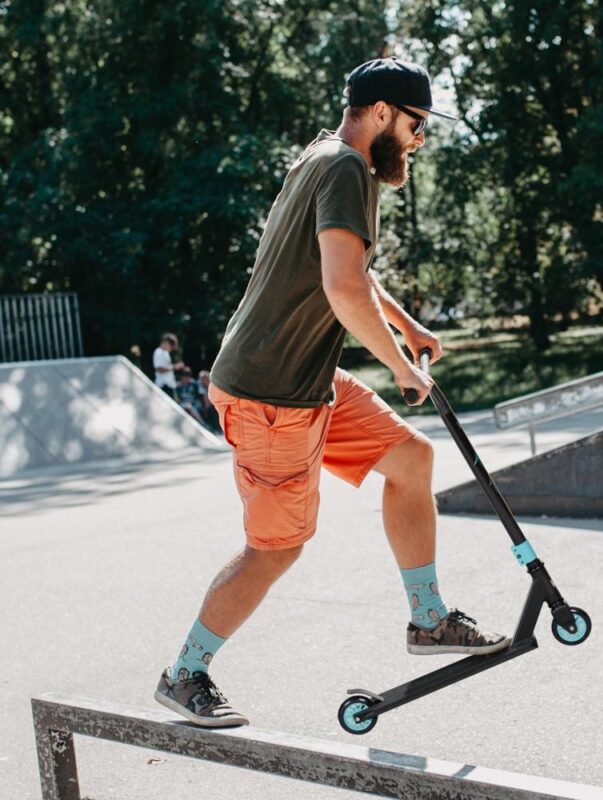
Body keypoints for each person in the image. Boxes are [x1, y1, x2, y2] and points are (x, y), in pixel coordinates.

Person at [154, 57, 510, 728]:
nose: (418, 139)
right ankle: (185, 673)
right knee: (277, 547)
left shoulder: (320, 158)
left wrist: (408, 325)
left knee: (411, 460)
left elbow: (346, 270)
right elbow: (342, 288)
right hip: (269, 393)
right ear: (381, 113)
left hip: (307, 379)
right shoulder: (348, 170)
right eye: (414, 124)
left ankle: (428, 619)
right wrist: (400, 366)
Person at [152, 333, 184, 399]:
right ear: (166, 342)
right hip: (163, 386)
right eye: (171, 346)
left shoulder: (165, 353)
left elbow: (167, 368)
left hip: (169, 386)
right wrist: (175, 366)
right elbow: (159, 369)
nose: (171, 349)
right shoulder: (158, 352)